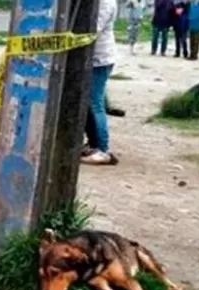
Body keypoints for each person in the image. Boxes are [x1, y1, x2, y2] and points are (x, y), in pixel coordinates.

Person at [80, 0, 118, 166]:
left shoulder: (105, 3)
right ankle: (93, 143)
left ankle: (103, 149)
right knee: (88, 104)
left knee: (95, 103)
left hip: (100, 60)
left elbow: (92, 29)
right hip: (90, 60)